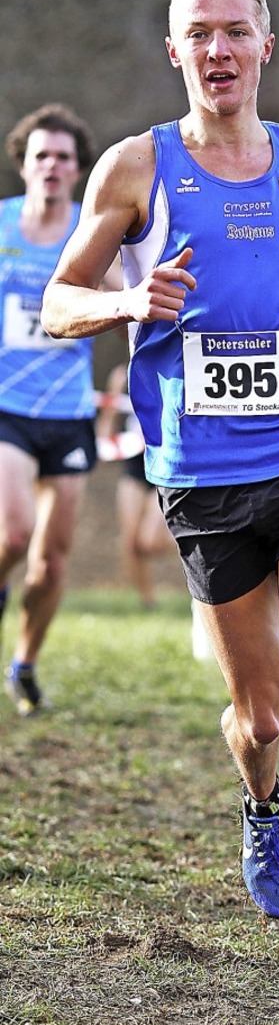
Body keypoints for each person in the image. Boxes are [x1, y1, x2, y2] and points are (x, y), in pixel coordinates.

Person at [42, 0, 279, 1024]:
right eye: (198, 32)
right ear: (173, 51)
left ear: (264, 46)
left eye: (234, 30)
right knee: (262, 716)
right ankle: (260, 800)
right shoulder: (134, 170)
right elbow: (58, 306)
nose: (218, 49)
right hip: (207, 475)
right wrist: (126, 303)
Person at [0, 103, 100, 717]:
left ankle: (26, 662)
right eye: (42, 155)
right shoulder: (3, 226)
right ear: (23, 163)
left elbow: (122, 299)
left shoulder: (90, 233)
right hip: (6, 405)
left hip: (68, 411)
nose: (53, 166)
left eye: (64, 157)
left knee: (52, 558)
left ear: (78, 169)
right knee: (13, 532)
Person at [97, 362, 176, 609]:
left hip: (165, 464)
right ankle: (148, 603)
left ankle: (204, 544)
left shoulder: (172, 365)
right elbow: (103, 435)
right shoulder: (123, 373)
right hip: (133, 466)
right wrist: (115, 393)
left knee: (149, 541)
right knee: (130, 542)